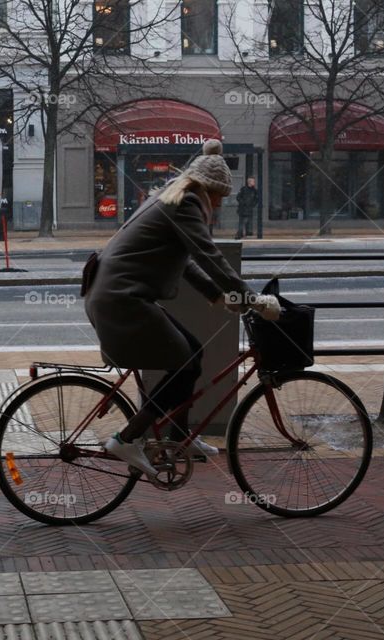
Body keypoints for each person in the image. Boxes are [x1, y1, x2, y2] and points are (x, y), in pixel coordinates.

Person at [83, 140, 280, 477]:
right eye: (218, 196)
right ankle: (127, 438)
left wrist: (218, 296)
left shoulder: (171, 197)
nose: (218, 204)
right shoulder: (187, 203)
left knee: (193, 352)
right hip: (124, 301)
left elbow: (187, 263)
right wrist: (252, 299)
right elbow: (209, 256)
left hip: (121, 297)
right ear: (207, 189)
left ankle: (180, 437)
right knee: (185, 364)